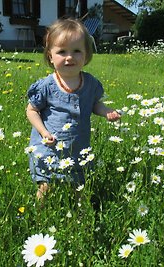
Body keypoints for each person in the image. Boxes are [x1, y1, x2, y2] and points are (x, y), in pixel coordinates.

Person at [26, 18, 121, 200]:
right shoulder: (46, 86)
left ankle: (80, 217)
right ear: (50, 57)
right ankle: (38, 216)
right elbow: (31, 110)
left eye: (77, 51)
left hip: (78, 149)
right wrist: (43, 132)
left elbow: (94, 103)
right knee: (46, 186)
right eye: (62, 51)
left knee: (78, 187)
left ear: (86, 55)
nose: (69, 57)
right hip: (49, 149)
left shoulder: (90, 83)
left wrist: (106, 111)